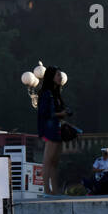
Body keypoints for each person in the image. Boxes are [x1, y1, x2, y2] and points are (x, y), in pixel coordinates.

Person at [36, 66, 70, 196]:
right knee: (48, 160)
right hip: (50, 129)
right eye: (58, 75)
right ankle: (47, 190)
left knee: (55, 161)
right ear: (51, 77)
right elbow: (46, 113)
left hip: (57, 128)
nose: (60, 77)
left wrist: (64, 112)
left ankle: (55, 190)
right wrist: (60, 113)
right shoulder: (47, 94)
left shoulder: (55, 93)